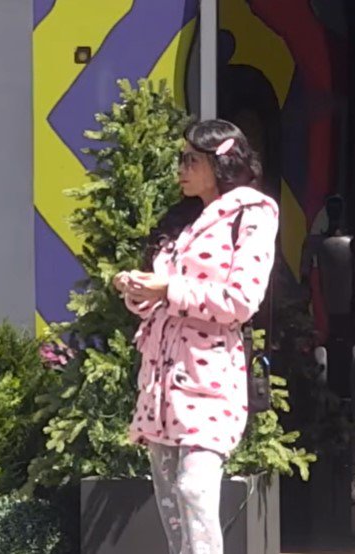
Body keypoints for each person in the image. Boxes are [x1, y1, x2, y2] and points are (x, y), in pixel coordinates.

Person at [114, 119, 279, 554]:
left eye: (191, 160)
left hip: (209, 376)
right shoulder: (183, 220)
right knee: (172, 506)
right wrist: (139, 289)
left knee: (195, 488)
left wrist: (168, 289)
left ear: (221, 163)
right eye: (180, 158)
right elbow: (160, 297)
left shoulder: (252, 213)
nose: (181, 169)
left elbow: (241, 300)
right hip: (160, 382)